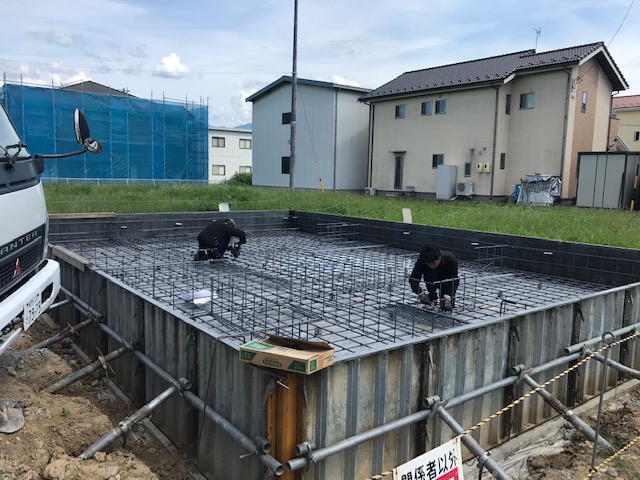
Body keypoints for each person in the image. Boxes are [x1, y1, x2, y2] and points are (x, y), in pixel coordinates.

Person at [409, 243, 459, 312]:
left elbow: (454, 280)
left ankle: (445, 301)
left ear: (439, 258)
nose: (431, 266)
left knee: (446, 306)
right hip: (430, 280)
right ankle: (432, 299)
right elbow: (413, 279)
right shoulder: (422, 261)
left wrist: (448, 296)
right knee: (429, 300)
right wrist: (420, 293)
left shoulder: (450, 260)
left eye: (434, 263)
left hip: (446, 280)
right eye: (428, 264)